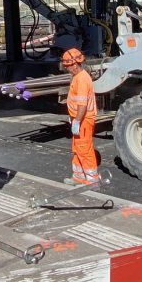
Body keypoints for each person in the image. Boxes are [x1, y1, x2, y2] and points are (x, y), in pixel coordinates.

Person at [62, 47, 99, 185]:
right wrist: (73, 117)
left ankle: (92, 179)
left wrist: (77, 120)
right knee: (77, 148)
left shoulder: (82, 79)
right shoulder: (77, 77)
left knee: (84, 148)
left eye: (68, 66)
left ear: (75, 64)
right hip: (78, 119)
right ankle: (79, 176)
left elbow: (82, 105)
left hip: (83, 120)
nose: (67, 69)